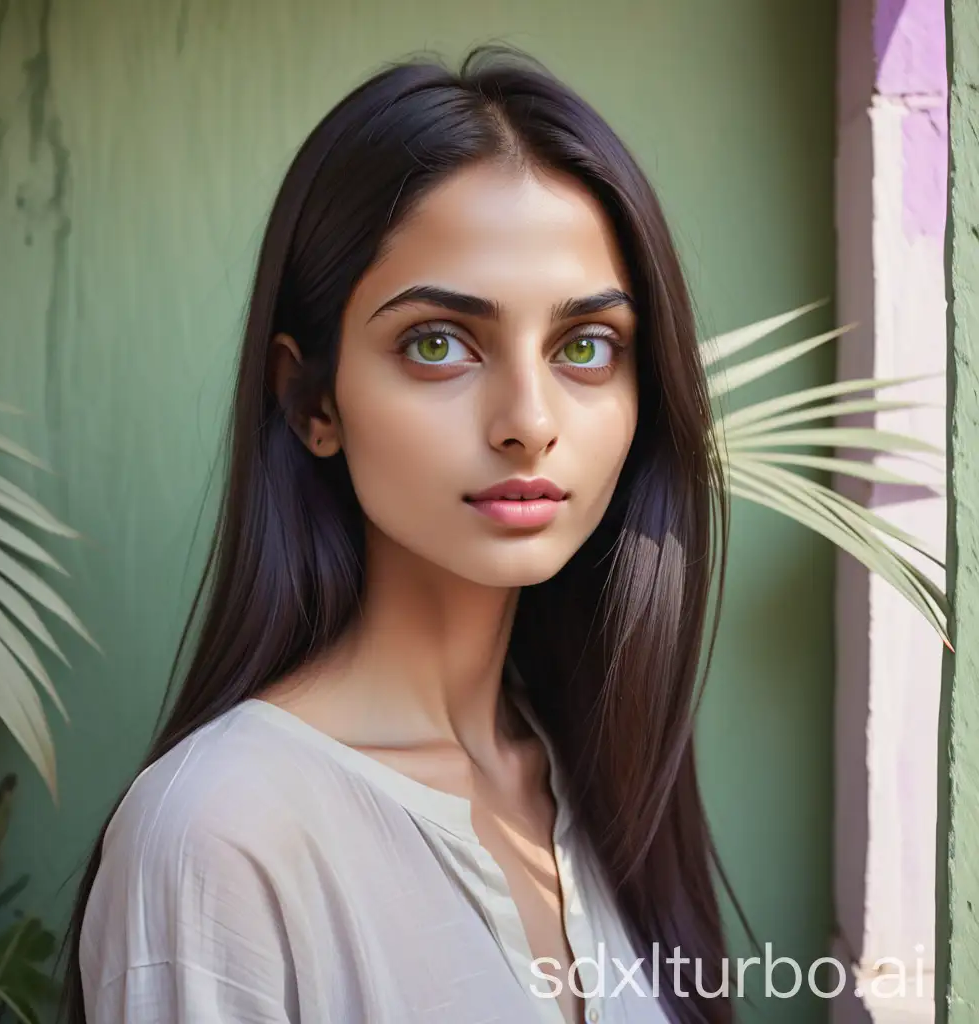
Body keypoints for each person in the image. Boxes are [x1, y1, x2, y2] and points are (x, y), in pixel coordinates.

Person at [62, 45, 733, 1024]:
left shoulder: (592, 780)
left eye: (585, 346)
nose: (527, 419)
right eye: (439, 343)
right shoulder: (220, 835)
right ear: (309, 400)